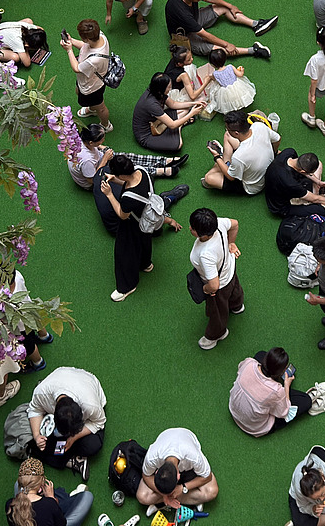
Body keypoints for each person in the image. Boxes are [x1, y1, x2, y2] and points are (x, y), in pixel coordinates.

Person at [98, 153, 185, 301]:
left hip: (132, 224)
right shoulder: (141, 171)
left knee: (124, 253)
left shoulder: (127, 198)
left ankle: (127, 286)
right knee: (145, 242)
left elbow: (122, 214)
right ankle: (146, 264)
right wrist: (116, 180)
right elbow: (131, 183)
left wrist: (109, 194)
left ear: (122, 174)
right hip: (146, 219)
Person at [166, 0, 276, 60]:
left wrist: (229, 5)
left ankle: (256, 24)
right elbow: (204, 34)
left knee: (223, 7)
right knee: (216, 49)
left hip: (195, 17)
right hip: (185, 36)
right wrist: (226, 44)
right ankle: (254, 50)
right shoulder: (182, 13)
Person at [231, 345, 325, 436]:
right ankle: (313, 402)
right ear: (279, 373)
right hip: (255, 427)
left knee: (259, 354)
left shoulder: (249, 362)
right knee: (306, 400)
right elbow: (285, 413)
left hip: (234, 410)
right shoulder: (277, 391)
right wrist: (286, 386)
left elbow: (241, 368)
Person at [5, 457, 91, 526]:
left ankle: (62, 497)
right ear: (41, 481)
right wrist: (51, 499)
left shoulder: (10, 504)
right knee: (87, 496)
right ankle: (68, 498)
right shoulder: (49, 504)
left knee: (16, 485)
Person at [186, 206, 246, 350]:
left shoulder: (206, 254)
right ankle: (237, 306)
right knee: (234, 289)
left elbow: (214, 284)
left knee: (217, 311)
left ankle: (217, 334)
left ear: (203, 234)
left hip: (219, 285)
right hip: (229, 268)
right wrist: (231, 243)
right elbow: (235, 224)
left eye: (193, 228)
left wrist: (206, 289)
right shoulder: (218, 224)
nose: (190, 228)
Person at [138, 426, 218, 509]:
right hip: (167, 436)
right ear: (157, 471)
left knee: (211, 491)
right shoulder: (152, 457)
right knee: (142, 496)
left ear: (178, 477)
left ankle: (164, 503)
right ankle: (189, 500)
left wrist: (183, 487)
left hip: (189, 468)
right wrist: (164, 494)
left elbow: (208, 477)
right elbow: (146, 475)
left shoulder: (194, 457)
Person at [203, 111, 280, 196]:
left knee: (209, 177)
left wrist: (216, 157)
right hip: (266, 169)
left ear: (236, 133)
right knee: (227, 136)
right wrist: (274, 153)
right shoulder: (259, 126)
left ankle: (223, 159)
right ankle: (226, 162)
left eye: (228, 129)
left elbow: (231, 177)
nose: (227, 130)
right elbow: (277, 139)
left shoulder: (238, 156)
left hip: (253, 186)